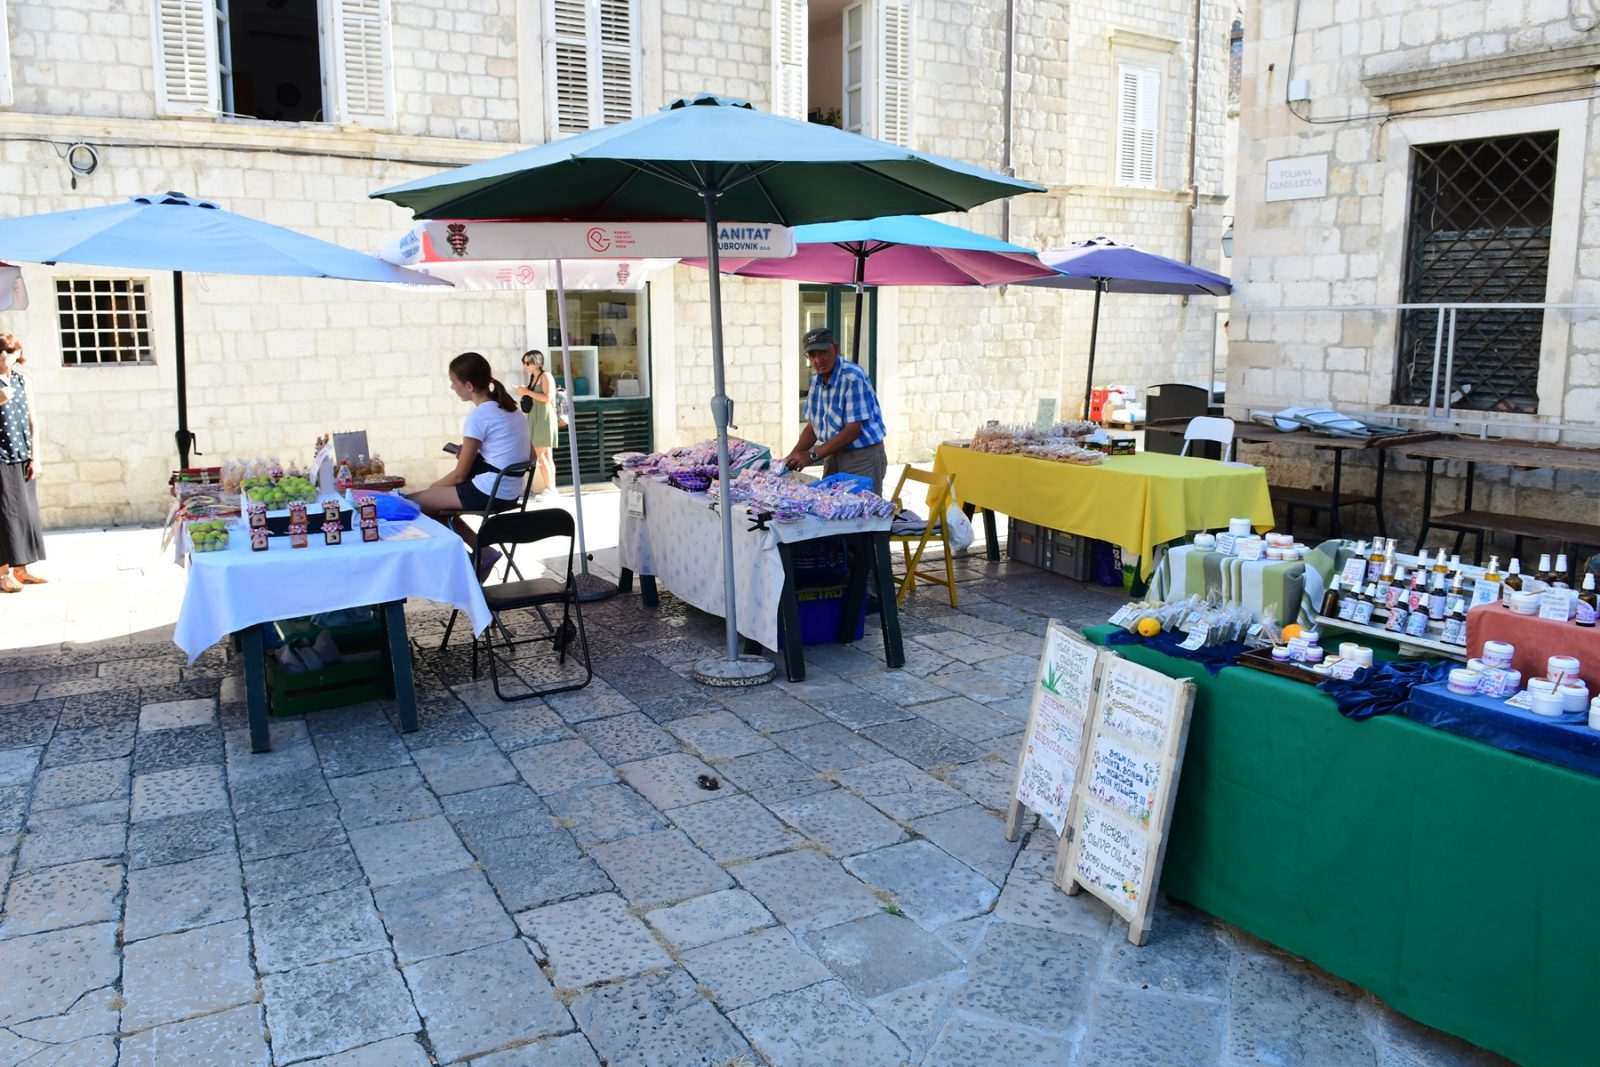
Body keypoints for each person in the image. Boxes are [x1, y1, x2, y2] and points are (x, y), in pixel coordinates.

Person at [406, 352, 530, 576]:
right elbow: (531, 456)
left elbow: (459, 476)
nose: (452, 387)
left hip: (489, 491)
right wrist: (482, 454)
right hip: (511, 492)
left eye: (454, 382)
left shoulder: (479, 416)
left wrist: (433, 489)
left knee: (412, 504)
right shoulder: (513, 411)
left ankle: (462, 563)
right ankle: (483, 551)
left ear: (469, 386)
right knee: (438, 507)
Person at [784, 327, 888, 494]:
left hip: (861, 455)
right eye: (812, 355)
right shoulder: (815, 381)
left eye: (823, 353)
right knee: (828, 503)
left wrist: (811, 456)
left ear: (836, 349)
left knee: (860, 507)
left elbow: (852, 431)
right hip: (832, 452)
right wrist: (791, 457)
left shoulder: (852, 377)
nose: (818, 360)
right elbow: (812, 428)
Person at [0, 333, 45, 593]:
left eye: (8, 351)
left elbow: (33, 420)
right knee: (5, 514)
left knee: (26, 514)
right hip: (1, 456)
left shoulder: (22, 380)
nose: (3, 356)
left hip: (22, 453)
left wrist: (36, 457)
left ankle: (21, 569)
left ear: (18, 354)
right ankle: (3, 574)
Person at [516, 350, 558, 500]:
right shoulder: (534, 377)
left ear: (537, 362)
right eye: (524, 363)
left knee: (540, 456)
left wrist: (527, 392)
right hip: (536, 418)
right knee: (545, 456)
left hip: (544, 419)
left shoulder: (546, 376)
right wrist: (524, 391)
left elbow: (547, 397)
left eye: (528, 363)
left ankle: (550, 489)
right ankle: (551, 488)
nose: (525, 366)